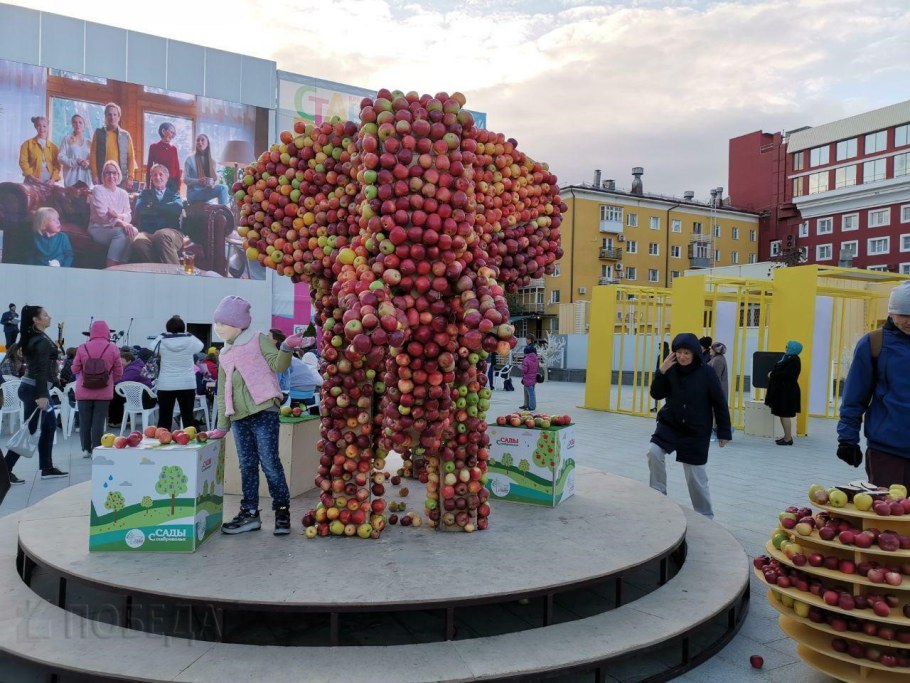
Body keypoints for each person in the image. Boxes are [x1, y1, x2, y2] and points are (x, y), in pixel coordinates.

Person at [208, 296, 302, 536]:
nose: (218, 328)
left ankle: (282, 512)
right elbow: (222, 391)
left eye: (223, 323)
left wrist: (286, 348)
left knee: (270, 463)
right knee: (247, 465)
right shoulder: (225, 353)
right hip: (239, 416)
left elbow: (278, 366)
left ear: (238, 324)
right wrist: (222, 424)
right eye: (216, 323)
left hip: (264, 411)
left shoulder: (257, 339)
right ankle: (250, 514)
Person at [647, 333, 731, 519]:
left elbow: (719, 401)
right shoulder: (670, 369)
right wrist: (661, 371)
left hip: (696, 429)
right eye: (678, 352)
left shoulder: (707, 372)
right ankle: (658, 497)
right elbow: (656, 394)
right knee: (654, 452)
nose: (682, 356)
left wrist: (724, 431)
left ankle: (705, 516)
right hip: (671, 423)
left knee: (696, 476)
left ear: (695, 353)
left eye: (687, 352)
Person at [837, 282, 910, 489]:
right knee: (889, 516)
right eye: (904, 314)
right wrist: (847, 439)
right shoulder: (873, 344)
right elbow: (854, 397)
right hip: (888, 452)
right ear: (891, 312)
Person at [5, 305, 67, 480]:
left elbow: (42, 367)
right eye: (46, 315)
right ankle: (5, 470)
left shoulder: (37, 337)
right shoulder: (40, 340)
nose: (50, 317)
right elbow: (40, 369)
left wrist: (52, 383)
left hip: (33, 388)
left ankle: (46, 467)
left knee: (48, 427)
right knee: (31, 429)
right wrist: (41, 395)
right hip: (35, 391)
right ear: (36, 319)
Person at [72, 320, 122, 457]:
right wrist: (110, 380)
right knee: (99, 420)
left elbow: (74, 368)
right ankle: (97, 448)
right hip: (104, 390)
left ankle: (86, 449)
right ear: (107, 332)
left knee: (84, 421)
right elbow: (119, 371)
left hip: (83, 390)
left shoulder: (82, 347)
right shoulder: (112, 348)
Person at [153, 315, 203, 431]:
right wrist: (188, 334)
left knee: (164, 418)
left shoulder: (162, 340)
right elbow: (200, 346)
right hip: (187, 383)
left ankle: (163, 444)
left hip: (166, 384)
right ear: (183, 328)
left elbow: (152, 347)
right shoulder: (190, 340)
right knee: (188, 417)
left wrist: (163, 335)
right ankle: (190, 445)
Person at [130, 164, 186, 265]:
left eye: (161, 174)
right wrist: (166, 208)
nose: (158, 177)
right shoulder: (145, 194)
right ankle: (158, 271)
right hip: (149, 233)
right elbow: (140, 209)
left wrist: (152, 206)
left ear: (167, 177)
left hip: (172, 233)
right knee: (138, 241)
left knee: (161, 235)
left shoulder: (174, 194)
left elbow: (177, 208)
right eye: (154, 175)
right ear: (151, 178)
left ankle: (176, 277)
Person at [89, 160, 138, 268]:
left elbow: (128, 216)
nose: (111, 176)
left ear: (118, 175)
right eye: (108, 173)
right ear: (103, 175)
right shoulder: (98, 189)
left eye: (114, 173)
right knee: (121, 232)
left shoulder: (124, 193)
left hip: (115, 227)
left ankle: (122, 266)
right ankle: (111, 266)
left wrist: (117, 216)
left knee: (134, 231)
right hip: (98, 228)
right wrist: (122, 223)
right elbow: (103, 215)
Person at [89, 102, 137, 187]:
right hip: (102, 177)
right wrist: (95, 174)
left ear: (119, 117)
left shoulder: (126, 135)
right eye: (109, 115)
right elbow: (93, 155)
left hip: (121, 178)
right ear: (105, 117)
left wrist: (130, 177)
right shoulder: (98, 133)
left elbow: (131, 157)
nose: (112, 117)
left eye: (115, 115)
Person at [765, 340, 802, 446]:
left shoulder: (794, 360)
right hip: (782, 391)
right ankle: (786, 437)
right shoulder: (788, 358)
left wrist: (772, 374)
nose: (786, 347)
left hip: (787, 392)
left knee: (785, 414)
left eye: (788, 346)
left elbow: (786, 374)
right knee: (782, 414)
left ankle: (788, 438)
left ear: (793, 348)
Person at [108, 349, 157, 426]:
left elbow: (123, 381)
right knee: (115, 394)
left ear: (129, 361)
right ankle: (116, 419)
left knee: (114, 394)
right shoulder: (135, 367)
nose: (120, 363)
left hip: (143, 398)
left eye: (122, 361)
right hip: (143, 394)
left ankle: (117, 420)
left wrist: (109, 382)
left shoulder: (133, 369)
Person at [184, 134, 230, 205]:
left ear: (207, 143)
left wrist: (213, 184)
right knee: (223, 188)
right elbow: (185, 179)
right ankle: (224, 212)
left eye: (202, 140)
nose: (199, 142)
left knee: (224, 188)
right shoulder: (190, 159)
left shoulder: (212, 161)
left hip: (206, 191)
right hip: (193, 193)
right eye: (197, 140)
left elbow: (215, 180)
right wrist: (198, 181)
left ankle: (222, 213)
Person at [18, 115, 60, 184]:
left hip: (49, 180)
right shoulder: (27, 144)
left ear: (48, 127)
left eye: (44, 126)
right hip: (31, 179)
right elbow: (23, 162)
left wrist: (52, 180)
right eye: (39, 126)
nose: (41, 128)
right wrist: (32, 177)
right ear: (35, 127)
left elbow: (57, 166)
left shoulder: (54, 147)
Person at [58, 113, 93, 188]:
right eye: (75, 122)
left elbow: (93, 160)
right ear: (72, 125)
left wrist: (87, 163)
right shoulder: (67, 139)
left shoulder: (89, 142)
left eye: (80, 122)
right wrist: (75, 162)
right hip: (71, 180)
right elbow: (60, 157)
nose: (77, 124)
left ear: (84, 125)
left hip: (85, 180)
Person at [145, 122, 181, 191]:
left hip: (172, 184)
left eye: (174, 133)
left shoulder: (174, 149)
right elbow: (149, 166)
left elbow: (177, 168)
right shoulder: (153, 147)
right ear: (163, 131)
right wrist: (147, 185)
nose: (173, 135)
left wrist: (178, 186)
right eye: (172, 132)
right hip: (158, 182)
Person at [520, 336, 539, 411]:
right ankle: (527, 405)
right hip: (533, 376)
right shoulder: (536, 358)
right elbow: (537, 367)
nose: (526, 340)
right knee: (529, 391)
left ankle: (531, 406)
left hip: (527, 377)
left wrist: (522, 367)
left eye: (527, 339)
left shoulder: (527, 357)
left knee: (530, 392)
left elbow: (525, 369)